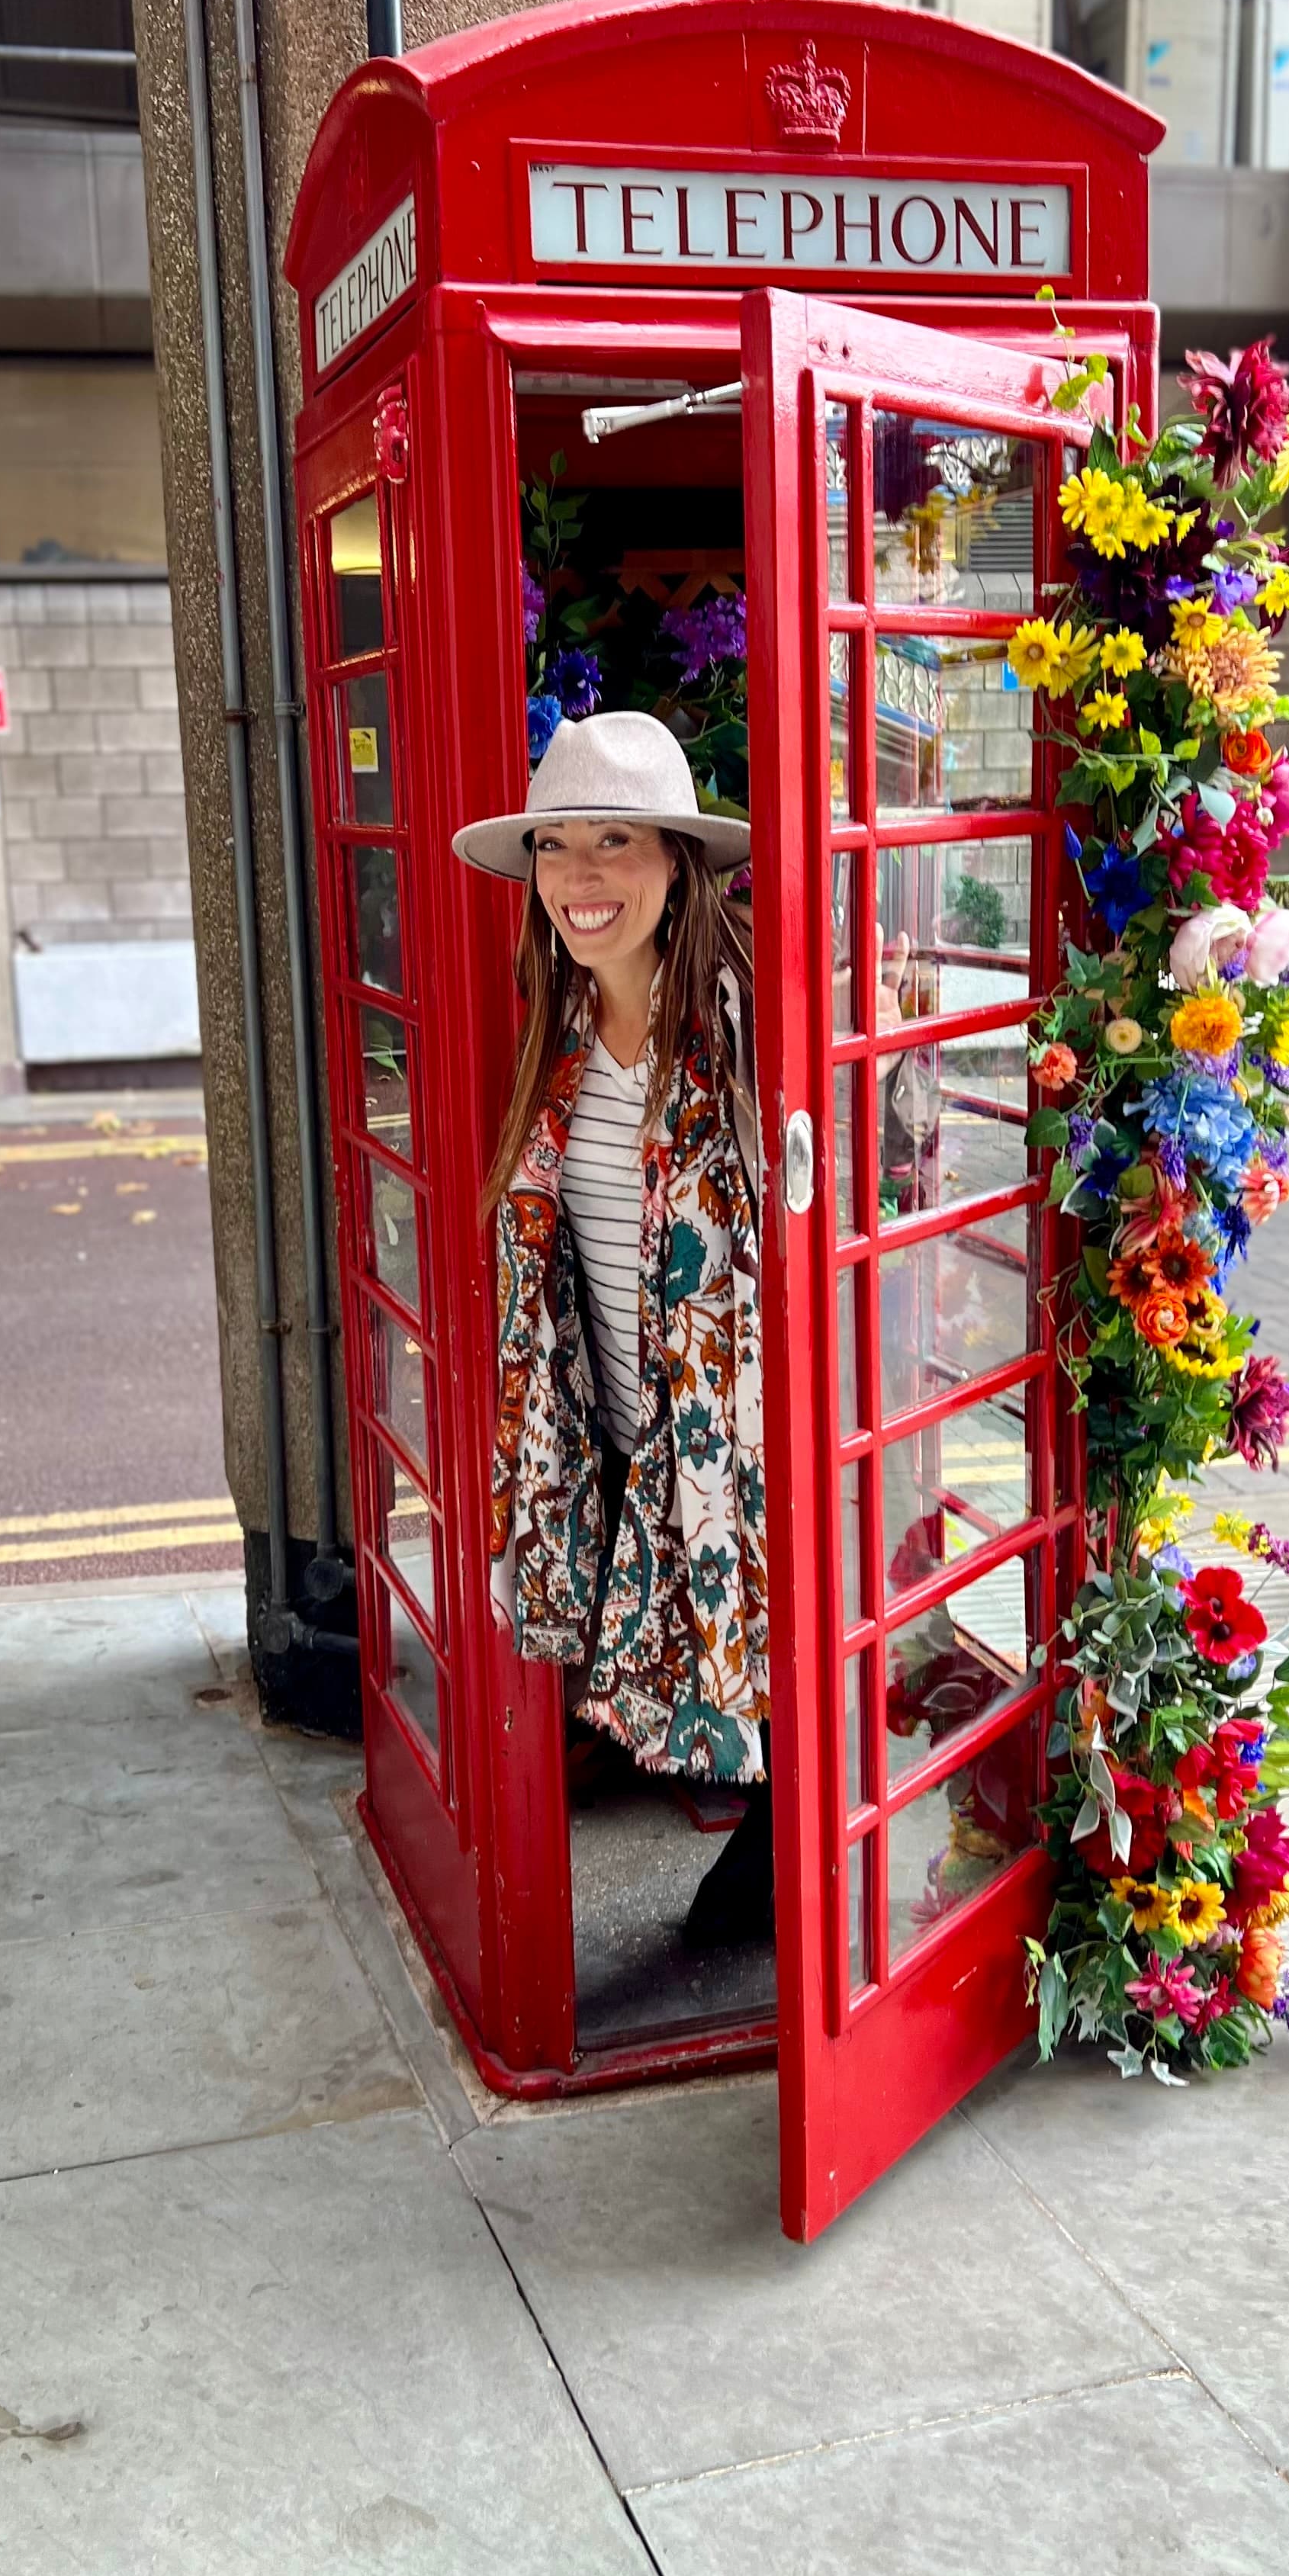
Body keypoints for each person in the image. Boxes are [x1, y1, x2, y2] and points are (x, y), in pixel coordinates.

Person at [452, 711, 772, 1948]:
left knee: (774, 1692)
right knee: (688, 1685)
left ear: (678, 862)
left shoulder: (747, 1031)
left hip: (745, 1452)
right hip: (624, 1438)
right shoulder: (563, 1031)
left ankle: (781, 1859)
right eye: (557, 845)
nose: (580, 879)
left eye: (616, 841)